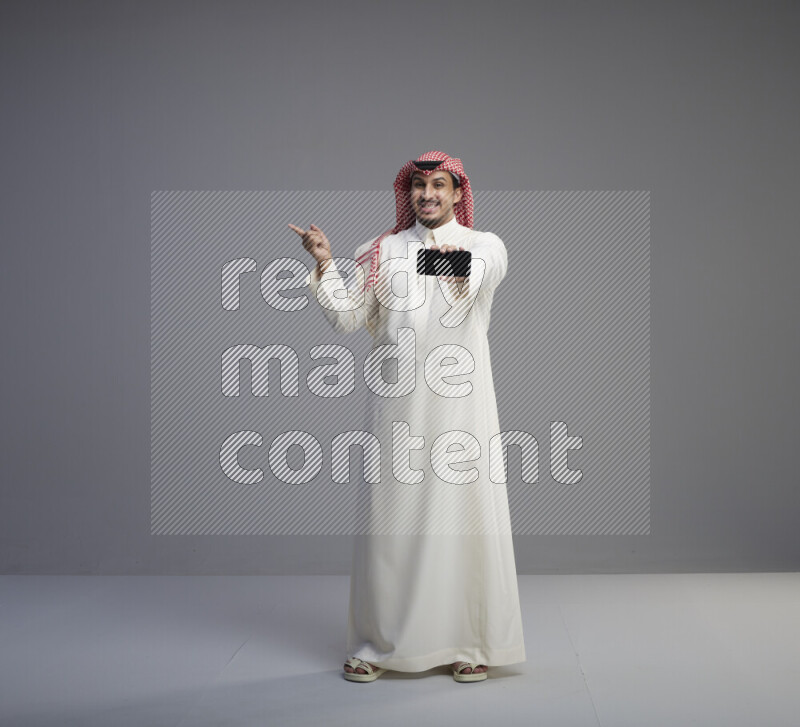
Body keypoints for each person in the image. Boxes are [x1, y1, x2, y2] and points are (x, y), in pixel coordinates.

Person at [289, 150, 526, 683]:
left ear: (458, 192)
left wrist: (389, 262)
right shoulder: (379, 250)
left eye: (439, 185)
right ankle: (377, 646)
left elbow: (471, 272)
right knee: (389, 526)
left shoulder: (485, 245)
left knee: (463, 521)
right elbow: (348, 318)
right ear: (408, 193)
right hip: (395, 408)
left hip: (461, 409)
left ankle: (471, 642)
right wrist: (327, 265)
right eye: (418, 186)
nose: (427, 195)